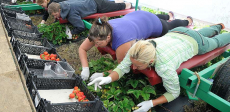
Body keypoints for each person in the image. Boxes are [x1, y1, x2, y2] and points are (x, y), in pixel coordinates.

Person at [88, 23, 229, 112]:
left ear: (150, 61)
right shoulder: (136, 49)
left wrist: (151, 102)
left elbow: (174, 92)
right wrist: (108, 78)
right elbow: (123, 67)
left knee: (216, 42)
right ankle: (217, 27)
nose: (134, 67)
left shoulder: (164, 67)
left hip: (195, 42)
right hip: (178, 32)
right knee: (204, 33)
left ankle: (221, 30)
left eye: (137, 65)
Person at [79, 10, 193, 80]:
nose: (95, 44)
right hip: (138, 15)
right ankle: (168, 15)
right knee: (153, 16)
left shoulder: (122, 42)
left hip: (152, 23)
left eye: (98, 43)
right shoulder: (99, 29)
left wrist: (103, 74)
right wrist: (85, 68)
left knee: (169, 26)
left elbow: (123, 67)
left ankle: (187, 21)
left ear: (108, 37)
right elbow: (82, 48)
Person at [47, 0, 132, 39]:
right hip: (90, 0)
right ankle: (119, 1)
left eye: (55, 14)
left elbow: (81, 27)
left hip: (97, 6)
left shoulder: (71, 14)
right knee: (110, 4)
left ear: (59, 10)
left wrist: (71, 33)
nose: (55, 17)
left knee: (118, 7)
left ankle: (130, 5)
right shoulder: (62, 4)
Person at [36, 0, 117, 25]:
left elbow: (48, 12)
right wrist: (43, 21)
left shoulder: (53, 3)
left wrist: (44, 22)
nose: (42, 7)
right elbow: (48, 12)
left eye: (42, 5)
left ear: (45, 1)